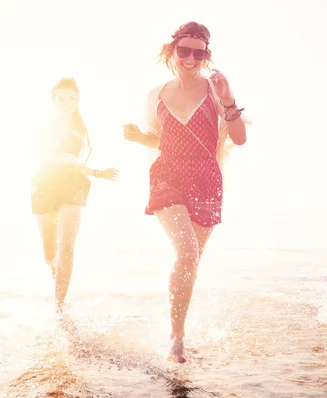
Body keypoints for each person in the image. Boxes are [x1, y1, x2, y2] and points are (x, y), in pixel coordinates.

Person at [122, 22, 247, 363]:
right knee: (187, 252)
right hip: (168, 175)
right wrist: (138, 137)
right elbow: (159, 138)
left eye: (199, 52)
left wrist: (229, 99)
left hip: (206, 178)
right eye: (185, 50)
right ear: (172, 51)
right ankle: (176, 339)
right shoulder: (156, 94)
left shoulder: (215, 91)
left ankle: (178, 326)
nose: (191, 58)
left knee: (191, 261)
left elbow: (239, 138)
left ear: (206, 55)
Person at [32, 78, 119, 313]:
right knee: (49, 253)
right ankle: (56, 272)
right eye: (61, 98)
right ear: (53, 100)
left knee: (67, 246)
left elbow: (74, 164)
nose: (66, 102)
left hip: (72, 184)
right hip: (45, 183)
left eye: (71, 97)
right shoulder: (45, 126)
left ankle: (59, 306)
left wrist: (99, 173)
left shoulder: (80, 129)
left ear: (77, 99)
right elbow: (43, 156)